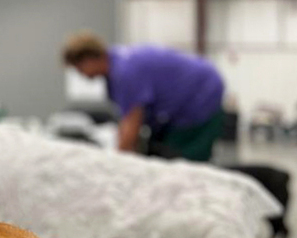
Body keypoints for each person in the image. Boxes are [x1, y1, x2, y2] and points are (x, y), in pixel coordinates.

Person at [62, 30, 225, 162]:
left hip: (200, 95)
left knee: (180, 161)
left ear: (91, 58)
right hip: (186, 99)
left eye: (79, 67)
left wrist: (115, 168)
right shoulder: (116, 65)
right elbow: (126, 120)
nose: (80, 74)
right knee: (160, 153)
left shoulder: (125, 72)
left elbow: (132, 126)